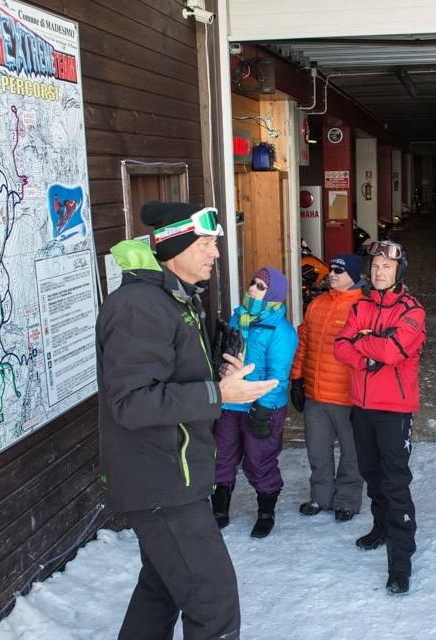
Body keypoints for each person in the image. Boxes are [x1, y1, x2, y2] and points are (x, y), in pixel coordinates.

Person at [97, 201, 277, 640]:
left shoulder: (175, 299)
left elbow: (170, 376)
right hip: (161, 482)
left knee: (160, 591)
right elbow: (132, 402)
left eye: (214, 243)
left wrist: (218, 374)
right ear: (172, 247)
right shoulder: (139, 306)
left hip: (176, 474)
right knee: (213, 603)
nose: (215, 253)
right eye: (205, 243)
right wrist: (219, 393)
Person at [334, 240, 426, 595]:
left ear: (399, 271)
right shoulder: (360, 304)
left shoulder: (413, 310)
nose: (379, 271)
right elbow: (340, 346)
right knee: (371, 474)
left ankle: (400, 560)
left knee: (395, 482)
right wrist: (366, 352)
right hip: (362, 404)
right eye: (375, 266)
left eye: (386, 266)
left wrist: (365, 341)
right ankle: (381, 526)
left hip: (395, 410)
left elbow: (393, 350)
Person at [212, 267, 298, 539]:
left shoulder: (281, 331)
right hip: (230, 403)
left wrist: (264, 409)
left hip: (262, 406)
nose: (253, 289)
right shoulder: (239, 317)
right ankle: (219, 512)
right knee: (222, 457)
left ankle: (265, 513)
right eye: (253, 283)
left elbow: (278, 377)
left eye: (261, 286)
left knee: (259, 461)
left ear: (273, 294)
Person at [290, 254, 366, 522]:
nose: (331, 274)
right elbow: (304, 344)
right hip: (315, 395)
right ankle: (320, 496)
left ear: (354, 277)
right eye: (331, 270)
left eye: (338, 271)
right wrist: (297, 378)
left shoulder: (363, 307)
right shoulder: (317, 303)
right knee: (317, 450)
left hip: (348, 396)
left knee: (351, 452)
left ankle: (347, 499)